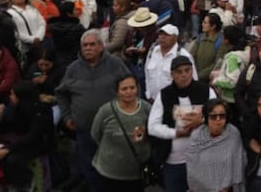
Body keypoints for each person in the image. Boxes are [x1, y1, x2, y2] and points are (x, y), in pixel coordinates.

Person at [57, 28, 131, 192]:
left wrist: (127, 112)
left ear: (101, 46)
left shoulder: (115, 64)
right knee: (89, 168)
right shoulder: (73, 69)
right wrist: (67, 116)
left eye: (92, 44)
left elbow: (130, 88)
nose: (88, 48)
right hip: (85, 130)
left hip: (113, 129)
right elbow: (60, 93)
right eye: (85, 45)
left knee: (115, 168)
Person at [148, 55, 216, 192]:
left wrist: (202, 121)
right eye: (179, 72)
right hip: (174, 160)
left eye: (187, 70)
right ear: (172, 75)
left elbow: (219, 116)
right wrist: (175, 133)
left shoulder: (206, 90)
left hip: (202, 157)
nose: (184, 75)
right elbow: (152, 127)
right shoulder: (164, 95)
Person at [90, 74, 152, 191]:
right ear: (117, 92)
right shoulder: (106, 111)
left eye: (132, 88)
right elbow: (95, 134)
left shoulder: (146, 108)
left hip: (136, 173)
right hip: (109, 172)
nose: (129, 92)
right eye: (124, 89)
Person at [0, 80, 56, 189]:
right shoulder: (17, 108)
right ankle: (10, 184)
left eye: (13, 94)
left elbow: (34, 136)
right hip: (21, 139)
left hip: (40, 142)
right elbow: (8, 128)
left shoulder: (42, 111)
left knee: (12, 159)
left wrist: (9, 149)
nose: (10, 97)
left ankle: (25, 182)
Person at [187, 98, 247, 192]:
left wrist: (225, 188)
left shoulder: (233, 134)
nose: (218, 119)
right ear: (206, 117)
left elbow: (238, 164)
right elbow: (193, 170)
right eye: (213, 116)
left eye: (222, 115)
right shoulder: (196, 137)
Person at [145, 24, 196, 101]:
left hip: (174, 101)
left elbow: (193, 79)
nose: (162, 37)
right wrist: (148, 94)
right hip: (153, 100)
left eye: (167, 35)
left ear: (175, 37)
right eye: (160, 34)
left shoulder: (183, 55)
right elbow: (147, 73)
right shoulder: (153, 51)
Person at [189, 12, 227, 77]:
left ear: (213, 26)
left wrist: (201, 75)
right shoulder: (200, 37)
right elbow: (191, 55)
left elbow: (217, 64)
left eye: (205, 23)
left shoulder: (221, 42)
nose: (202, 25)